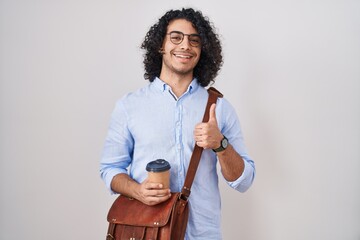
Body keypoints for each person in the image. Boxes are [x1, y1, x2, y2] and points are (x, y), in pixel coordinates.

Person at [100, 8, 255, 239]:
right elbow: (110, 169)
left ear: (202, 50)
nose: (185, 46)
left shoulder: (219, 108)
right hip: (147, 232)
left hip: (203, 234)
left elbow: (244, 181)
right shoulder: (129, 106)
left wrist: (220, 144)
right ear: (161, 45)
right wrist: (138, 191)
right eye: (176, 37)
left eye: (194, 40)